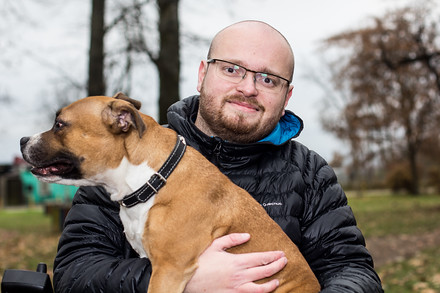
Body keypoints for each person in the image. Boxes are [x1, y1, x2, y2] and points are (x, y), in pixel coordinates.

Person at [53, 20, 383, 292]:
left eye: (268, 79)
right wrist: (184, 279)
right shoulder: (125, 161)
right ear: (202, 74)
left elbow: (354, 272)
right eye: (231, 69)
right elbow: (74, 276)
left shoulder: (309, 173)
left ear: (286, 96)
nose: (249, 88)